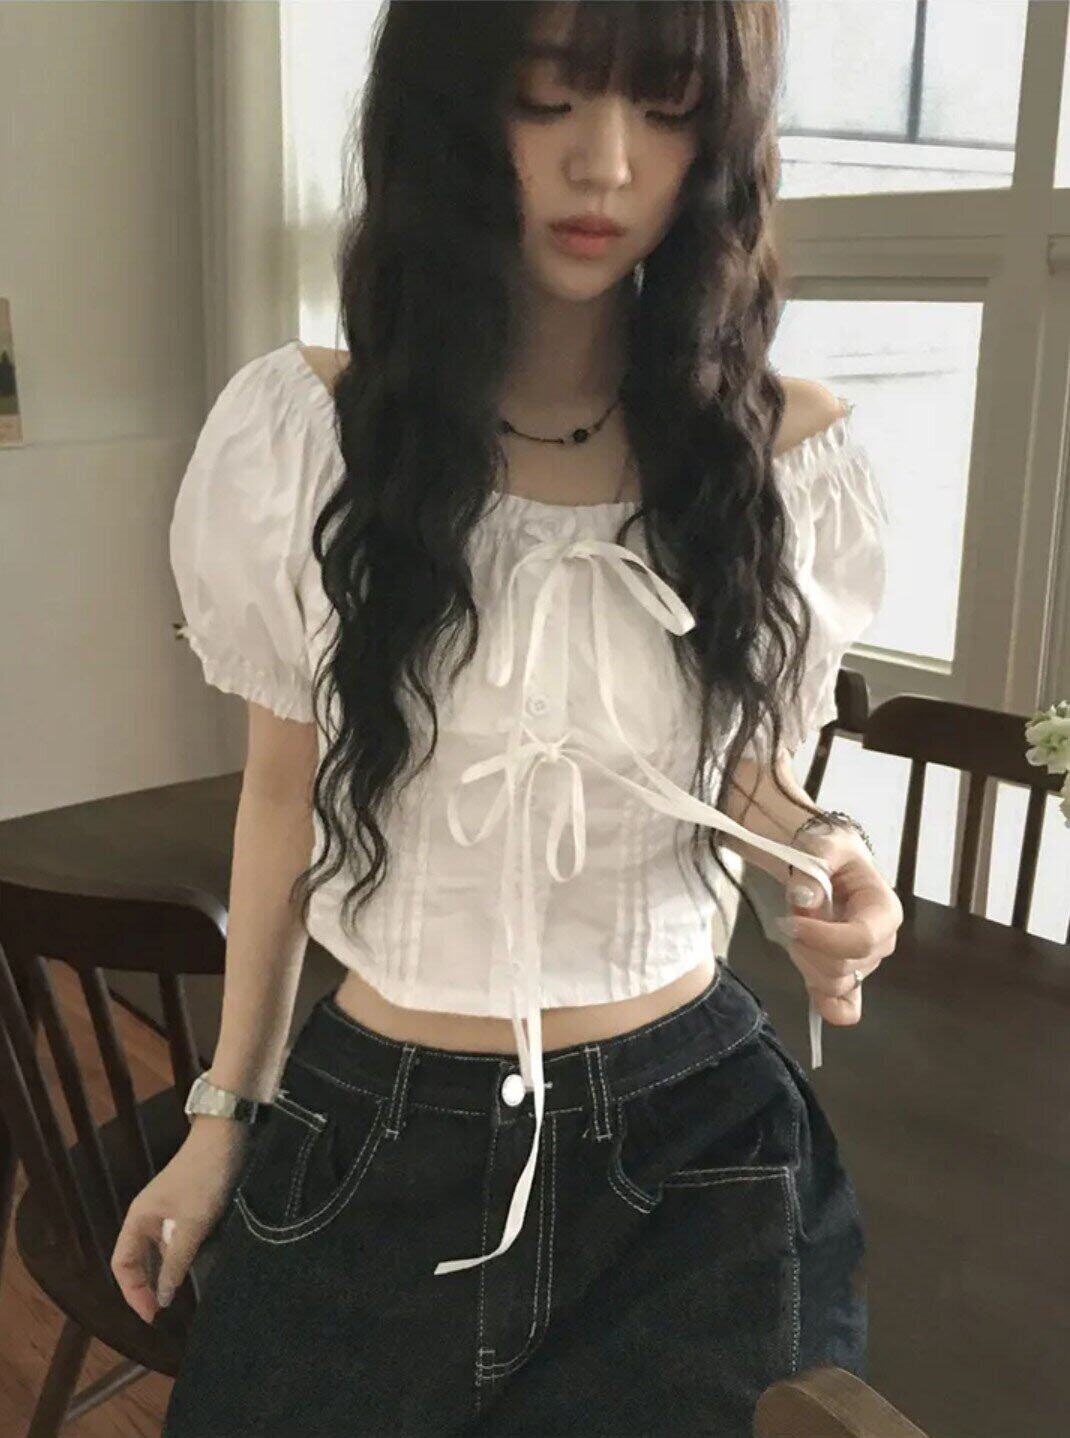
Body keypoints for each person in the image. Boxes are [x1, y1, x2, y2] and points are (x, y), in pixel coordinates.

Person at [115, 3, 903, 1434]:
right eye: (548, 96)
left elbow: (745, 775)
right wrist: (220, 1117)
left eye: (665, 109)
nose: (605, 163)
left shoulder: (784, 457)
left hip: (701, 1144)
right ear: (451, 113)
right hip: (378, 1128)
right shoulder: (307, 438)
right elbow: (284, 796)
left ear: (719, 144)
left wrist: (824, 855)